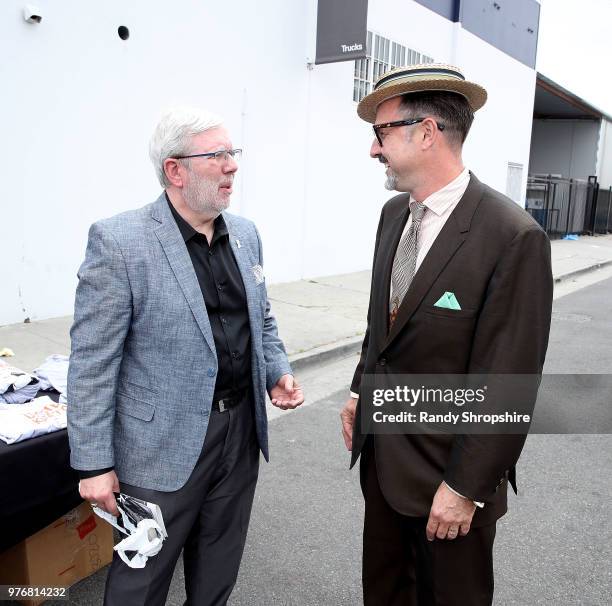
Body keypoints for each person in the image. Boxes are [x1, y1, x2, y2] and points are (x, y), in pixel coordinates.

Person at [67, 106, 304, 606]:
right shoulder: (120, 242)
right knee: (141, 581)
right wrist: (93, 464)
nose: (232, 165)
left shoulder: (245, 234)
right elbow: (92, 362)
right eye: (217, 155)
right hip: (157, 446)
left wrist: (276, 370)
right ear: (175, 170)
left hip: (238, 435)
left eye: (232, 153)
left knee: (217, 571)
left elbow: (260, 318)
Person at [340, 64, 553, 605]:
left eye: (381, 132)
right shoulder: (394, 216)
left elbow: (509, 383)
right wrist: (361, 388)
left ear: (428, 131)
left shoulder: (512, 236)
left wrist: (464, 490)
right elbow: (380, 325)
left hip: (448, 489)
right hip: (384, 468)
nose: (373, 150)